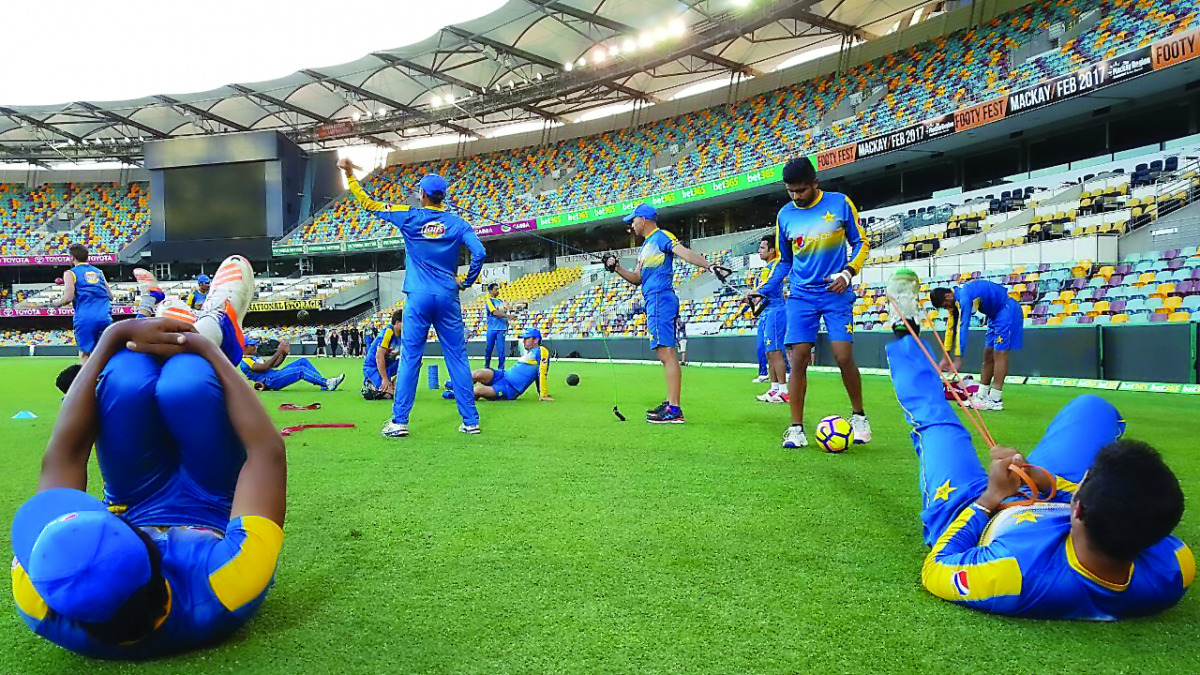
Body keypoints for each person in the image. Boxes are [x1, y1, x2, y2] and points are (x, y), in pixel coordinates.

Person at [10, 312, 287, 657]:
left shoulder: (40, 590)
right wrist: (209, 350)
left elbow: (64, 456)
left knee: (126, 371)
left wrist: (113, 338)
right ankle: (199, 330)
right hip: (213, 504)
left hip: (133, 499)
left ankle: (160, 343)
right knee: (187, 380)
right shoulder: (225, 583)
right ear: (156, 552)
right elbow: (265, 452)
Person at [885, 327, 1192, 619]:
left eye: (1085, 480)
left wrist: (989, 497)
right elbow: (1111, 507)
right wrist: (1039, 477)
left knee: (938, 425)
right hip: (1043, 493)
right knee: (1091, 408)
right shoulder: (1175, 565)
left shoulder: (1012, 573)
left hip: (969, 507)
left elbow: (937, 568)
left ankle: (904, 334)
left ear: (1079, 510)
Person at [339, 157, 486, 437]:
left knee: (410, 358)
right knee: (457, 358)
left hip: (417, 298)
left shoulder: (409, 215)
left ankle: (399, 421)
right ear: (443, 197)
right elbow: (479, 254)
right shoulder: (458, 223)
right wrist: (466, 281)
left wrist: (350, 175)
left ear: (422, 194)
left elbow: (369, 203)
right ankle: (470, 421)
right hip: (447, 297)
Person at [757, 157, 870, 448]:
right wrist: (765, 288)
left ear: (815, 184)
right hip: (800, 296)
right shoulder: (785, 215)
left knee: (842, 355)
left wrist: (848, 272)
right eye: (791, 191)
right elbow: (784, 262)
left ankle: (859, 417)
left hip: (835, 293)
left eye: (802, 190)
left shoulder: (841, 203)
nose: (796, 196)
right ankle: (796, 428)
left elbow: (861, 243)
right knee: (799, 358)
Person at [604, 203, 718, 424]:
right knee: (664, 352)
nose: (631, 224)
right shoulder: (647, 246)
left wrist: (709, 265)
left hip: (660, 298)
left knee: (666, 352)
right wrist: (617, 268)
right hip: (654, 299)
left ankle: (674, 408)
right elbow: (637, 279)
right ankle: (670, 402)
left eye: (633, 220)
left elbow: (683, 252)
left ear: (643, 220)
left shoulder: (661, 236)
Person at [931, 279, 1023, 411]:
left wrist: (958, 358)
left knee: (1000, 352)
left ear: (947, 296)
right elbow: (950, 328)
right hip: (993, 316)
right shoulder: (954, 302)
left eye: (945, 305)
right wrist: (946, 356)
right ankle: (982, 395)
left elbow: (963, 326)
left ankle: (996, 398)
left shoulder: (964, 298)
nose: (947, 308)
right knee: (988, 354)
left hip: (1006, 310)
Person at [451, 328, 553, 402]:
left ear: (535, 340)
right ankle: (455, 385)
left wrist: (543, 394)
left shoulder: (541, 351)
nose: (524, 341)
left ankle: (454, 393)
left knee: (477, 390)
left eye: (527, 338)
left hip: (510, 388)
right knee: (477, 373)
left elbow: (541, 372)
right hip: (503, 376)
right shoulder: (530, 352)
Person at [51, 244, 113, 364]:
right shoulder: (98, 272)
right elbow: (110, 296)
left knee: (85, 354)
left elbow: (68, 297)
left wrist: (56, 303)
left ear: (72, 258)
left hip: (85, 318)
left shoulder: (70, 273)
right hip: (105, 317)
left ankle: (88, 382)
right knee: (104, 354)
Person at [748, 234, 788, 404]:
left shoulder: (778, 264)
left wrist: (755, 293)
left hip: (776, 311)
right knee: (769, 352)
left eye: (763, 248)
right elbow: (761, 293)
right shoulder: (765, 270)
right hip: (766, 312)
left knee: (776, 351)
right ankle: (774, 389)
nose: (759, 251)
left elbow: (771, 285)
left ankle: (784, 390)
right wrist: (752, 298)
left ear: (772, 250)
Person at [239, 337, 345, 391]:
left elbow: (274, 365)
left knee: (302, 361)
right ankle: (327, 383)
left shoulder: (253, 358)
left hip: (274, 376)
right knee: (301, 370)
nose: (255, 346)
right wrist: (279, 351)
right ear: (245, 347)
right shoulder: (245, 361)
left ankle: (324, 384)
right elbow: (265, 367)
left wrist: (283, 354)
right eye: (252, 345)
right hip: (271, 380)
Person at [362, 309, 402, 400]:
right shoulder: (388, 333)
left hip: (388, 365)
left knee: (414, 363)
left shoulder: (403, 335)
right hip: (373, 366)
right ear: (397, 322)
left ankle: (394, 385)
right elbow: (379, 356)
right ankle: (370, 383)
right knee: (388, 395)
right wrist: (385, 379)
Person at [484, 283, 517, 369]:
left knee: (501, 350)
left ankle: (501, 369)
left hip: (501, 328)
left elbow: (507, 310)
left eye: (498, 289)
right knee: (489, 349)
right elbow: (494, 312)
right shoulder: (489, 301)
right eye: (496, 289)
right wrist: (508, 317)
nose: (497, 291)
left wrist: (508, 318)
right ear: (490, 291)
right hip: (492, 328)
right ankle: (487, 366)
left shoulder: (501, 302)